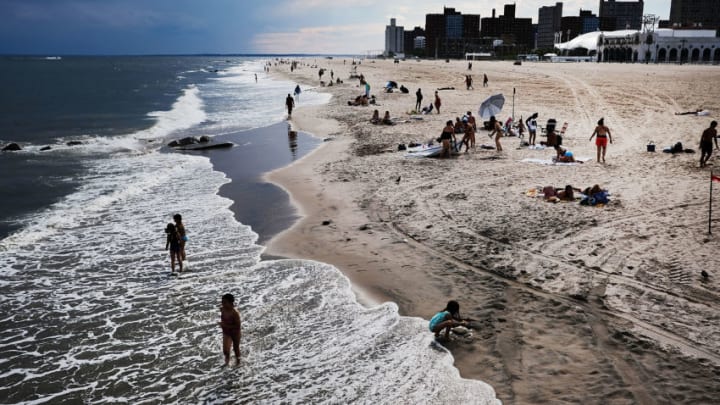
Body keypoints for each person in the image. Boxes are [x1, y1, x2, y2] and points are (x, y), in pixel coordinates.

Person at [219, 293, 242, 366]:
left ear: (231, 303)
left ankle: (238, 363)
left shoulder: (235, 313)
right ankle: (227, 364)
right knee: (225, 351)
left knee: (236, 349)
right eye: (222, 302)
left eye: (225, 302)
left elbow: (238, 326)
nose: (223, 304)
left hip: (235, 333)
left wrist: (225, 325)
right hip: (226, 332)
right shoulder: (222, 309)